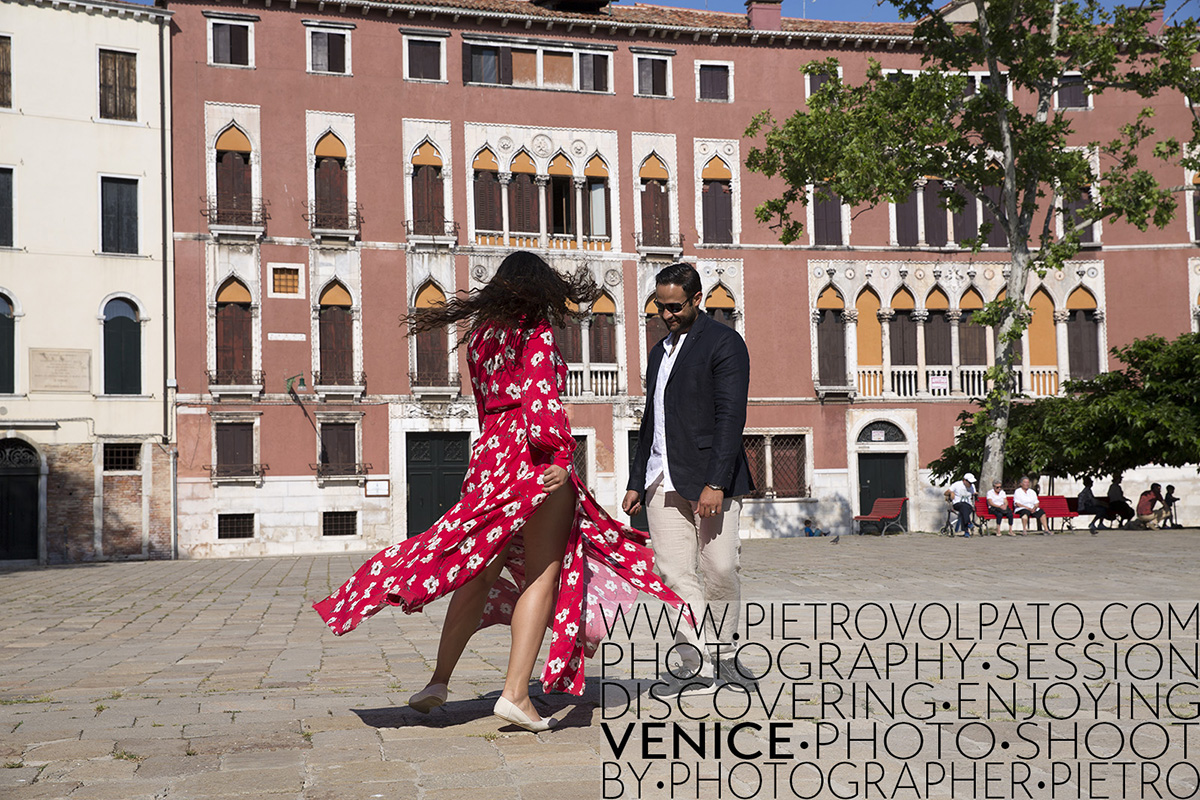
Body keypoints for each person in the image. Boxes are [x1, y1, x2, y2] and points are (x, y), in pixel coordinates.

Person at [312, 252, 685, 733]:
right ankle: (514, 695)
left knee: (477, 572)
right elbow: (539, 399)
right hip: (530, 456)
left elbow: (491, 404)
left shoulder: (483, 336)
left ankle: (438, 681)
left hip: (489, 456)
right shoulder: (534, 329)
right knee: (543, 572)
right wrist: (558, 456)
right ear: (538, 289)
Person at [622, 262, 753, 695]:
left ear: (697, 299)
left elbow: (730, 418)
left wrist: (715, 483)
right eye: (661, 307)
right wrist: (636, 480)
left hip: (709, 478)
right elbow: (650, 421)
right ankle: (694, 662)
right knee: (675, 573)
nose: (667, 315)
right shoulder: (659, 352)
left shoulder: (725, 344)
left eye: (675, 306)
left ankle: (725, 656)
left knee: (719, 567)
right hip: (662, 476)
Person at [944, 473, 977, 537]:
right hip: (957, 504)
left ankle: (967, 527)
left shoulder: (972, 486)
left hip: (968, 505)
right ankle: (967, 526)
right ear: (964, 481)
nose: (970, 484)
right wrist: (951, 492)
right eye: (969, 482)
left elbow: (974, 493)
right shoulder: (957, 484)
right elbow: (945, 493)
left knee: (965, 508)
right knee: (964, 506)